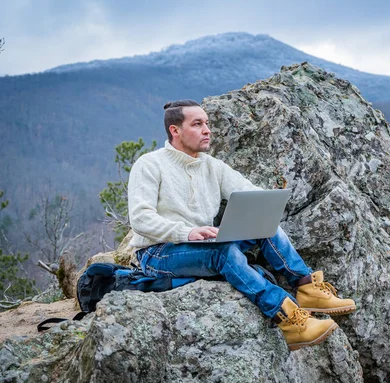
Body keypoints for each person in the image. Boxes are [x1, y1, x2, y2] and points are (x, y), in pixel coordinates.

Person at [128, 99, 356, 351]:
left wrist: (263, 208)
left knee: (264, 225)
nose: (207, 130)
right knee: (223, 253)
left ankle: (306, 287)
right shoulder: (149, 164)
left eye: (207, 123)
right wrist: (187, 231)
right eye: (197, 124)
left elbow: (251, 194)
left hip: (200, 245)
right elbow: (140, 218)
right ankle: (289, 320)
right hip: (158, 253)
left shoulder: (212, 166)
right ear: (175, 130)